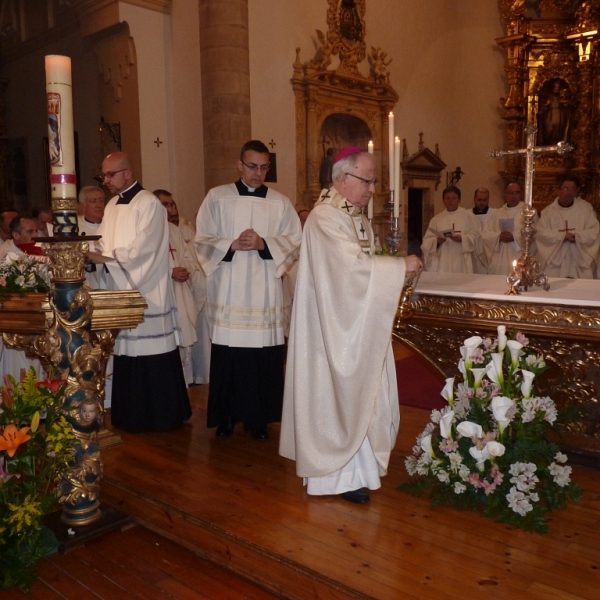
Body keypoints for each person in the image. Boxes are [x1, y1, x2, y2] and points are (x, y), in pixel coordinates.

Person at [279, 147, 423, 505]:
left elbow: (361, 265)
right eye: (367, 180)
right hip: (332, 332)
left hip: (353, 325)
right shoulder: (326, 218)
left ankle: (360, 470)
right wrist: (397, 267)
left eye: (374, 180)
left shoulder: (352, 215)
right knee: (337, 397)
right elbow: (348, 274)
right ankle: (333, 477)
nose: (372, 188)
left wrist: (386, 268)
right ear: (343, 179)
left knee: (360, 395)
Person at [195, 140, 302, 441]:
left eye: (264, 167)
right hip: (229, 289)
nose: (258, 173)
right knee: (229, 356)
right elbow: (202, 239)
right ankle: (226, 418)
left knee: (261, 358)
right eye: (252, 166)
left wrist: (264, 244)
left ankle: (259, 420)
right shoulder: (217, 197)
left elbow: (295, 241)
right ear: (239, 164)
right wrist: (229, 244)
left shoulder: (280, 202)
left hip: (264, 291)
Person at [95, 151, 191, 432]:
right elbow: (102, 242)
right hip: (119, 289)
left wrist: (106, 258)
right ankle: (129, 415)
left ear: (128, 173)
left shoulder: (149, 204)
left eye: (110, 174)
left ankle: (163, 414)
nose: (106, 180)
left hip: (146, 291)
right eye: (103, 175)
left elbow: (143, 252)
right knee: (127, 353)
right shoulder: (112, 205)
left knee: (152, 353)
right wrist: (95, 256)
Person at [157, 191, 200, 385]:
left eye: (170, 204)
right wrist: (169, 271)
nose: (168, 209)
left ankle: (183, 386)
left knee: (182, 344)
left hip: (180, 293)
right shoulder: (146, 231)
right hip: (162, 297)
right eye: (164, 205)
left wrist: (185, 270)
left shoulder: (173, 230)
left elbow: (188, 258)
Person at [535, 175, 600, 279]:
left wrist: (577, 236)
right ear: (558, 190)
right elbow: (541, 234)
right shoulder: (548, 212)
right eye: (565, 189)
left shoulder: (586, 209)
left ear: (577, 191)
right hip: (556, 262)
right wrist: (562, 237)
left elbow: (594, 231)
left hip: (580, 261)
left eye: (573, 189)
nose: (569, 192)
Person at [481, 181, 537, 275]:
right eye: (510, 193)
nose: (513, 196)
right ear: (505, 194)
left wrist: (514, 237)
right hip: (500, 259)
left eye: (516, 192)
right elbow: (485, 234)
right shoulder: (497, 213)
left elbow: (534, 233)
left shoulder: (529, 212)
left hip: (519, 256)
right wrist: (498, 237)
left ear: (521, 194)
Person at [421, 186, 481, 273]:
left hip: (462, 259)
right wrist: (437, 241)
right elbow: (426, 241)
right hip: (443, 260)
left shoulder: (469, 216)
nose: (450, 200)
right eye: (447, 198)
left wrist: (462, 238)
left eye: (454, 198)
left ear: (459, 200)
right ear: (443, 200)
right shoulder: (436, 219)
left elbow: (477, 236)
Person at [78, 186, 106, 290]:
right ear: (83, 206)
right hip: (86, 279)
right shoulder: (74, 227)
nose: (98, 205)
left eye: (101, 201)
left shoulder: (112, 224)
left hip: (108, 277)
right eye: (93, 201)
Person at [471, 188, 494, 274]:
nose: (481, 202)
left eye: (484, 200)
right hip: (473, 253)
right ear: (474, 199)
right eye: (479, 200)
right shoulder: (467, 215)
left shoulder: (495, 214)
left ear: (488, 199)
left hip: (488, 253)